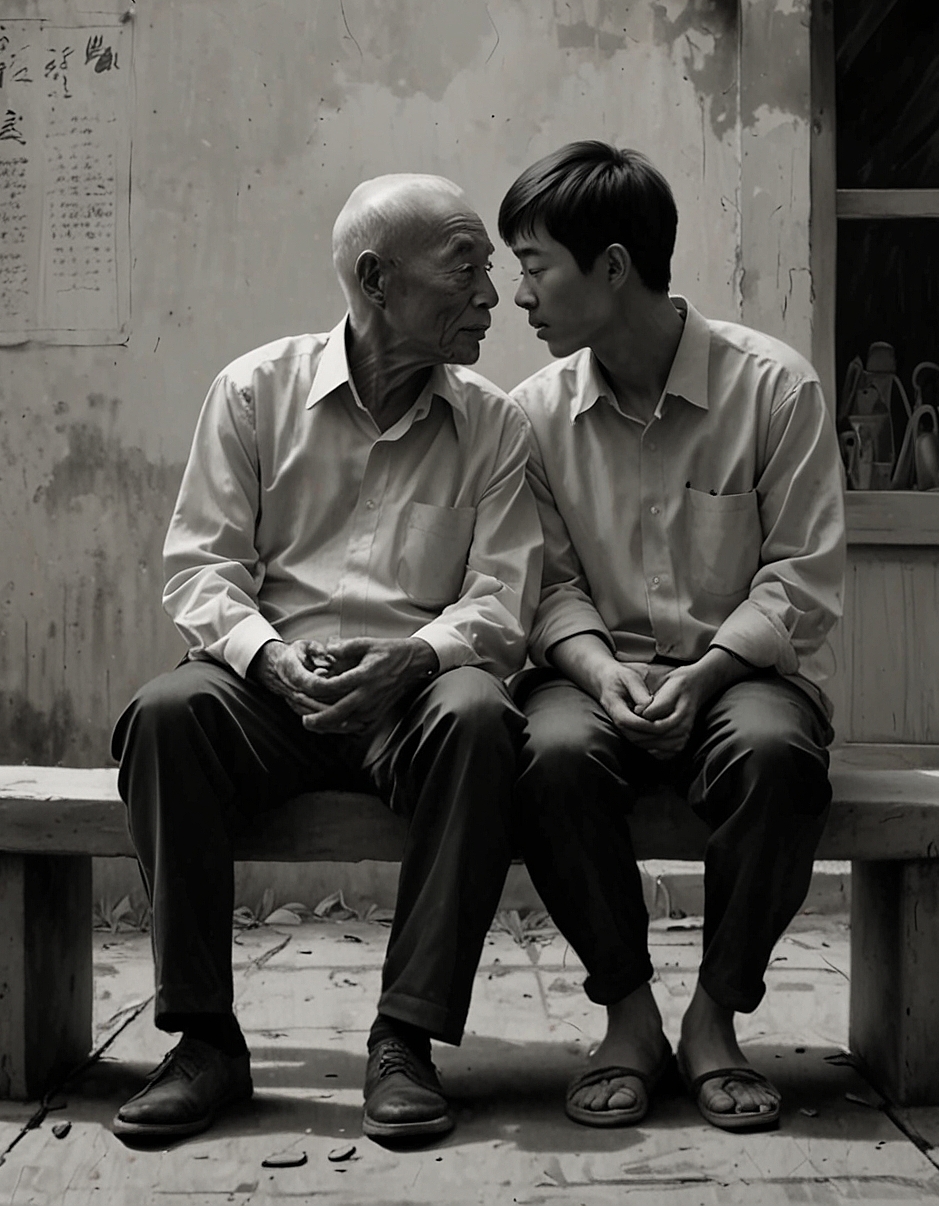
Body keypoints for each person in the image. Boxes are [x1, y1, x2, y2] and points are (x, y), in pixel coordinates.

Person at [109, 173, 542, 1145]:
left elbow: (501, 601)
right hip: (272, 696)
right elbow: (201, 571)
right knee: (164, 715)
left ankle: (405, 1039)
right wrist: (266, 660)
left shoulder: (494, 422)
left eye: (491, 272)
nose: (489, 299)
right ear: (376, 279)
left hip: (413, 706)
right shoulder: (253, 392)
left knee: (482, 717)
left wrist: (413, 658)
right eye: (464, 270)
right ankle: (205, 1040)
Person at [502, 141, 845, 1133]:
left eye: (535, 265)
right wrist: (601, 669)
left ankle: (713, 1019)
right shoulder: (532, 418)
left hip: (744, 672)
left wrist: (702, 678)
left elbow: (801, 578)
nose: (518, 294)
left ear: (611, 267)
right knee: (548, 754)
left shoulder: (772, 389)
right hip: (593, 670)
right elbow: (545, 585)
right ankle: (626, 1017)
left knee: (778, 754)